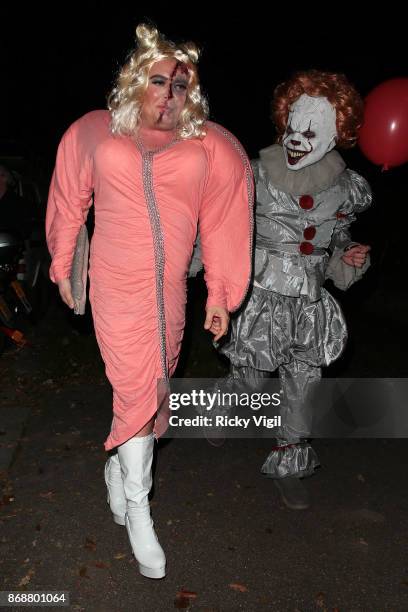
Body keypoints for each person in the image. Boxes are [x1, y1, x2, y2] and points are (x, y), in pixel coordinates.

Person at [46, 23, 253, 579]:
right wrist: (63, 261)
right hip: (115, 286)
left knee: (156, 389)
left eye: (180, 87)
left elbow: (227, 216)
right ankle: (139, 504)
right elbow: (69, 196)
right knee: (137, 382)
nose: (168, 95)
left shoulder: (207, 145)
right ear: (137, 82)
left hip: (170, 293)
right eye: (158, 81)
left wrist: (222, 293)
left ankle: (119, 467)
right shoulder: (96, 131)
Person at [221, 70, 371, 510]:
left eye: (310, 131)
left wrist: (349, 255)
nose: (297, 138)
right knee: (249, 379)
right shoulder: (254, 175)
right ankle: (221, 407)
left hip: (308, 301)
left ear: (334, 136)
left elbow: (338, 238)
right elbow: (223, 228)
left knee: (303, 383)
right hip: (262, 294)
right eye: (292, 126)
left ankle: (289, 463)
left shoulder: (344, 189)